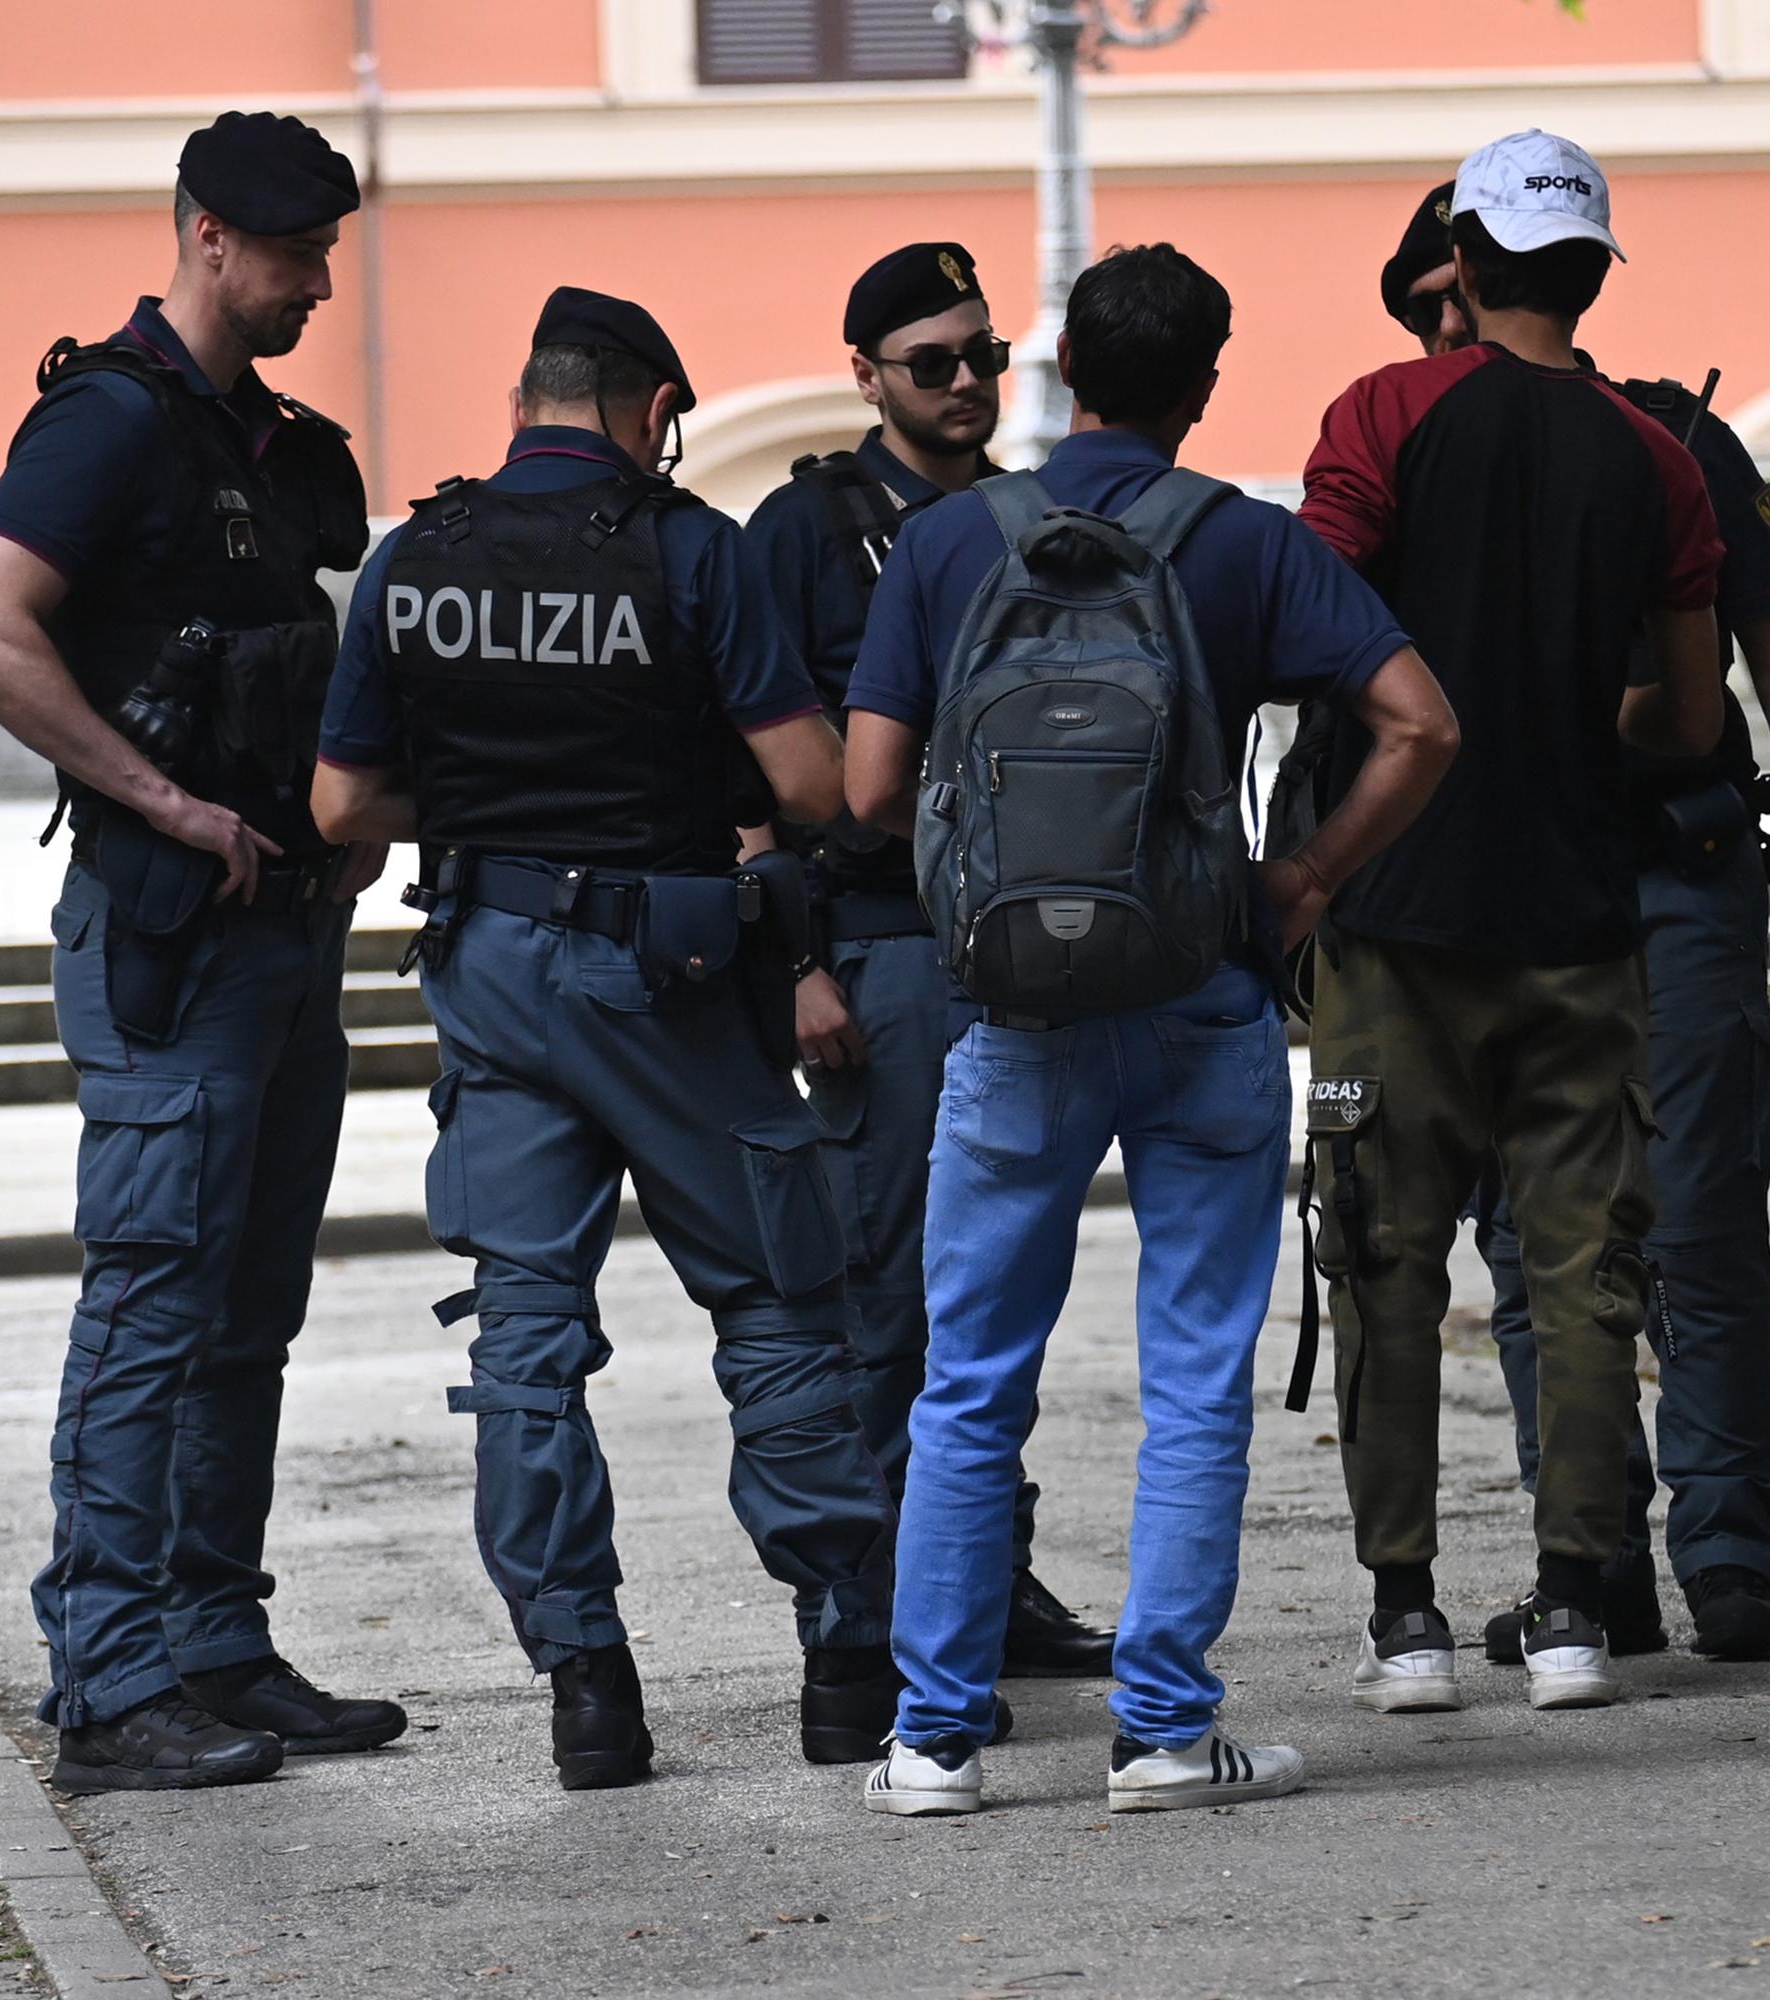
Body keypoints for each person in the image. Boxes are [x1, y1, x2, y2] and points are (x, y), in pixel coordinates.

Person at [840, 243, 1457, 1816]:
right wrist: (1307, 871)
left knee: (971, 1379)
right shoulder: (1243, 546)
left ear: (1060, 375)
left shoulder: (949, 541)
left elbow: (860, 788)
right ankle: (1168, 1732)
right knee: (1193, 1377)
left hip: (1011, 1015)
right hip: (1203, 993)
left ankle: (930, 1742)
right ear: (1203, 382)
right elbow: (1422, 722)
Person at [312, 288, 904, 1793]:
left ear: (528, 406)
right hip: (672, 980)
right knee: (775, 1301)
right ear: (649, 412)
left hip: (491, 973)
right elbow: (814, 789)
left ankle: (586, 1689)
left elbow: (342, 811)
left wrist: (487, 820)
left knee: (524, 1341)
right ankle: (845, 1662)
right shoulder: (691, 549)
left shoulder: (414, 558)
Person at [0, 111, 404, 1792]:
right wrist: (155, 796)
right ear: (208, 236)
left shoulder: (256, 440)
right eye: (292, 254)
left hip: (278, 935)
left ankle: (211, 1643)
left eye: (326, 251)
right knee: (150, 1305)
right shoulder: (111, 424)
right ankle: (109, 1681)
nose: (316, 282)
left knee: (244, 1314)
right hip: (165, 935)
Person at [1368, 180, 1770, 1670]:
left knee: (1704, 1222)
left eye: (1454, 297)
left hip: (1671, 873)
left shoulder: (1673, 442)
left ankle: (1729, 1560)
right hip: (1500, 902)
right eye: (1418, 310)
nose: (1443, 328)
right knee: (1529, 1253)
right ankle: (1594, 1570)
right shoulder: (1402, 453)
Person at [1297, 131, 1726, 1716]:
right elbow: (1688, 716)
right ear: (1594, 272)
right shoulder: (1656, 457)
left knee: (1381, 1258)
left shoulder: (1382, 415)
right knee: (1586, 1275)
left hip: (1394, 924)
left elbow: (1312, 627)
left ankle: (1405, 1614)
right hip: (1581, 919)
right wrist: (1565, 719)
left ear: (1460, 265)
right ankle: (1568, 1610)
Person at [740, 242, 1113, 1680]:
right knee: (884, 1305)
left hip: (1019, 956)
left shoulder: (1034, 517)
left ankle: (987, 1582)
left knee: (1000, 1295)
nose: (968, 385)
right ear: (866, 376)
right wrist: (791, 962)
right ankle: (892, 1614)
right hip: (878, 954)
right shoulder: (805, 529)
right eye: (933, 364)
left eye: (985, 357)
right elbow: (740, 765)